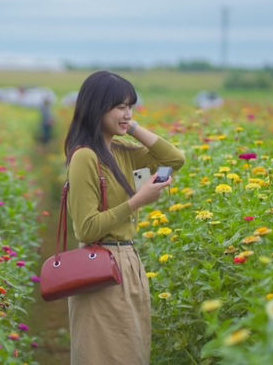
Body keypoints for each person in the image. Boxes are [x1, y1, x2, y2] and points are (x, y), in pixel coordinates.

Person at [64, 71, 185, 365]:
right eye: (120, 107)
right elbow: (86, 227)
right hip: (100, 268)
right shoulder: (85, 157)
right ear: (97, 108)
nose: (127, 113)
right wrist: (137, 202)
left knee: (132, 353)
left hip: (128, 263)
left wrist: (133, 128)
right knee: (104, 356)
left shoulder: (121, 151)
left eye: (131, 106)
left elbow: (175, 159)